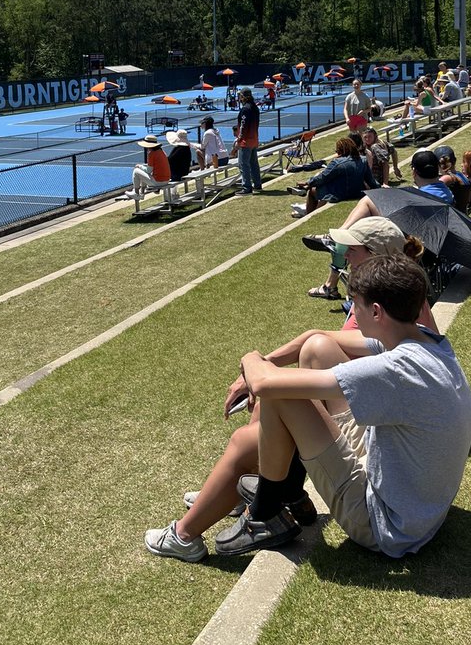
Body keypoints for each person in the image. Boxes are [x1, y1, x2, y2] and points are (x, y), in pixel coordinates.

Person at [143, 225, 447, 562]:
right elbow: (314, 338)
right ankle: (281, 493)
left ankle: (223, 524)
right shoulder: (419, 338)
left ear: (377, 311)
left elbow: (267, 386)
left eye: (355, 305)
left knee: (274, 402)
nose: (351, 312)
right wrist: (266, 366)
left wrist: (251, 359)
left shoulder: (391, 369)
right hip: (414, 503)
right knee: (314, 352)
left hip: (385, 525)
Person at [290, 137, 374, 219]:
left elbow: (323, 177)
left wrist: (307, 182)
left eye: (337, 150)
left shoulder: (337, 163)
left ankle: (308, 215)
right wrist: (380, 189)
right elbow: (371, 181)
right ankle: (305, 193)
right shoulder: (363, 160)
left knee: (312, 191)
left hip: (340, 194)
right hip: (357, 192)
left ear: (341, 150)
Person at [234, 89, 262, 195]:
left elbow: (243, 126)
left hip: (246, 141)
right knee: (254, 163)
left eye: (240, 96)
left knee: (243, 164)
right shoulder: (255, 108)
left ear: (243, 97)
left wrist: (239, 139)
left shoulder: (246, 109)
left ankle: (247, 187)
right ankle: (257, 184)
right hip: (254, 138)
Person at [126, 134, 171, 198]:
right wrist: (142, 166)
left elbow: (148, 170)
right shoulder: (161, 151)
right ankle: (142, 193)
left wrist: (140, 166)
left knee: (136, 171)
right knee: (142, 172)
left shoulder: (151, 153)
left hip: (158, 181)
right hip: (166, 180)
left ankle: (136, 193)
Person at [433, 145, 471, 212]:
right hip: (463, 214)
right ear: (455, 160)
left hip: (452, 216)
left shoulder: (447, 179)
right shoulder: (461, 175)